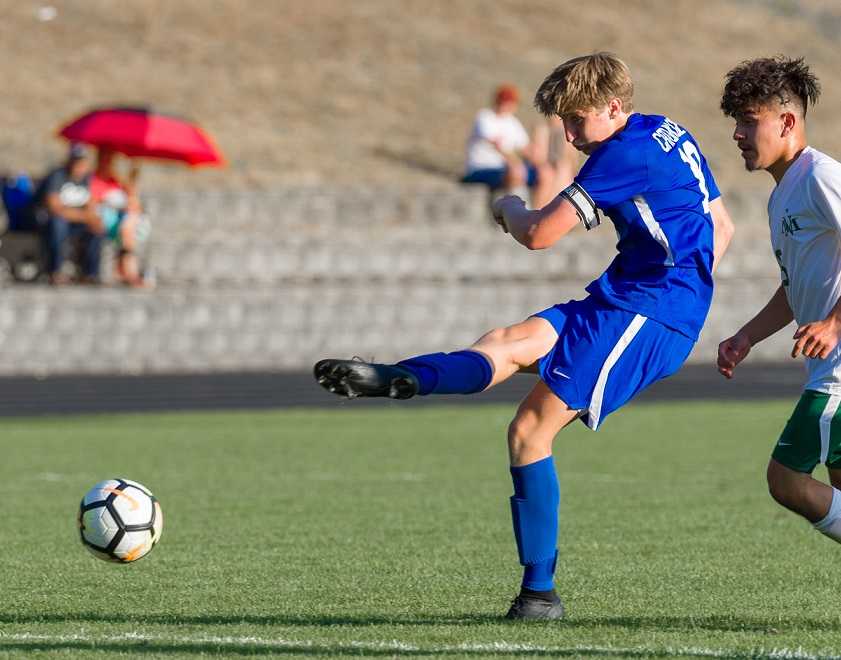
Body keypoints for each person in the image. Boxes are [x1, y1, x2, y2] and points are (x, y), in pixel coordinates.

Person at [314, 52, 735, 620]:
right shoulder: (665, 130)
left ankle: (540, 595)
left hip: (649, 311)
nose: (568, 133)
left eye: (576, 120)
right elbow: (723, 225)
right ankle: (402, 377)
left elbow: (537, 234)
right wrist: (689, 278)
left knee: (530, 430)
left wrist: (508, 206)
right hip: (632, 296)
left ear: (613, 108)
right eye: (561, 121)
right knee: (507, 341)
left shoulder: (621, 154)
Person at [717, 56, 841, 545]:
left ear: (786, 122)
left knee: (785, 479)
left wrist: (834, 322)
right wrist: (747, 335)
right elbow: (793, 287)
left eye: (750, 121)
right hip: (827, 367)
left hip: (838, 372)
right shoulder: (782, 196)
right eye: (737, 122)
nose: (738, 134)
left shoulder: (819, 176)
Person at [31, 143, 103, 285]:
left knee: (96, 228)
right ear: (69, 161)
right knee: (58, 224)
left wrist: (91, 218)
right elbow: (54, 208)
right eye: (76, 161)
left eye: (82, 161)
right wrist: (84, 216)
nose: (79, 165)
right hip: (45, 222)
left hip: (72, 222)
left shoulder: (86, 179)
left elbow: (91, 206)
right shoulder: (57, 176)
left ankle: (90, 274)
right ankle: (55, 271)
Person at [461, 84, 540, 200]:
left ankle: (540, 212)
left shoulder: (512, 122)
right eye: (504, 102)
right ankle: (517, 210)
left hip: (504, 169)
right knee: (516, 171)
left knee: (546, 174)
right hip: (481, 168)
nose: (506, 106)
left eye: (510, 103)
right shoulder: (485, 117)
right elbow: (496, 145)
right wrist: (516, 162)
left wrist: (540, 159)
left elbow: (527, 149)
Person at [90, 147, 150, 287]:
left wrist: (133, 172)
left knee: (129, 222)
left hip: (122, 220)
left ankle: (125, 270)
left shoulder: (115, 180)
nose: (108, 162)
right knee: (127, 227)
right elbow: (92, 202)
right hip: (104, 218)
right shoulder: (93, 180)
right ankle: (130, 272)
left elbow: (131, 199)